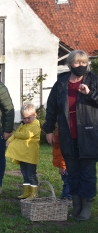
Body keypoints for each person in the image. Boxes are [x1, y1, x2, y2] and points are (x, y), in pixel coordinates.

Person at [43, 50, 98, 221]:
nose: (81, 66)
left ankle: (86, 207)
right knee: (72, 172)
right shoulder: (61, 82)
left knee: (87, 173)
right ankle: (76, 204)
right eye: (77, 63)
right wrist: (49, 129)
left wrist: (90, 93)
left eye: (84, 63)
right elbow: (52, 107)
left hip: (89, 134)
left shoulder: (93, 79)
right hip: (68, 134)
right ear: (69, 64)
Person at [5, 102, 41, 199]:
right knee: (24, 174)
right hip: (22, 155)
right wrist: (9, 140)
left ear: (35, 115)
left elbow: (26, 135)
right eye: (24, 118)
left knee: (31, 174)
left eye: (28, 118)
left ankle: (33, 193)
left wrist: (16, 134)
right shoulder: (23, 125)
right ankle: (26, 192)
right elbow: (16, 133)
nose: (26, 120)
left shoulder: (35, 125)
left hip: (30, 155)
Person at [52, 128, 72, 201]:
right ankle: (66, 196)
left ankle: (67, 198)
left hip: (66, 165)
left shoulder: (64, 132)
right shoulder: (60, 130)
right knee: (67, 181)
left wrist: (62, 166)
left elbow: (64, 154)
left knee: (68, 181)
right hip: (64, 163)